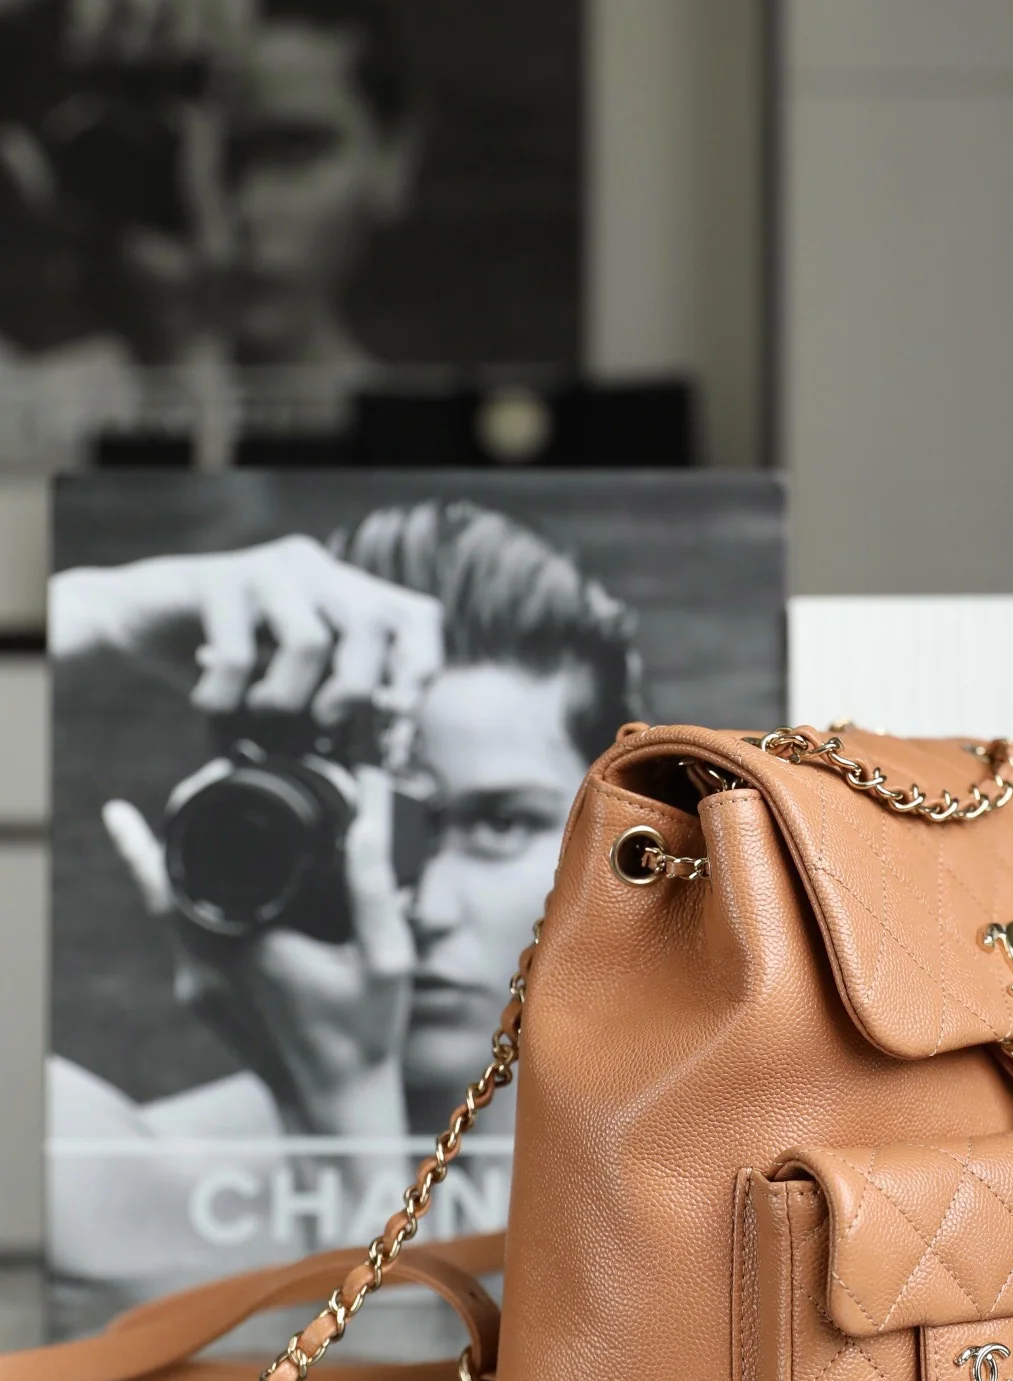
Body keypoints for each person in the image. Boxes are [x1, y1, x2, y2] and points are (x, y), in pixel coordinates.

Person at [47, 502, 640, 1285]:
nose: (423, 910)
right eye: (374, 827)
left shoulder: (722, 1188)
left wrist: (336, 1111)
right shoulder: (133, 1182)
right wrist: (98, 610)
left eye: (500, 823)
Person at [0, 0, 419, 461]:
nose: (239, 205)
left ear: (394, 157)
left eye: (292, 153)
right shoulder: (33, 420)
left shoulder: (449, 449)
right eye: (193, 153)